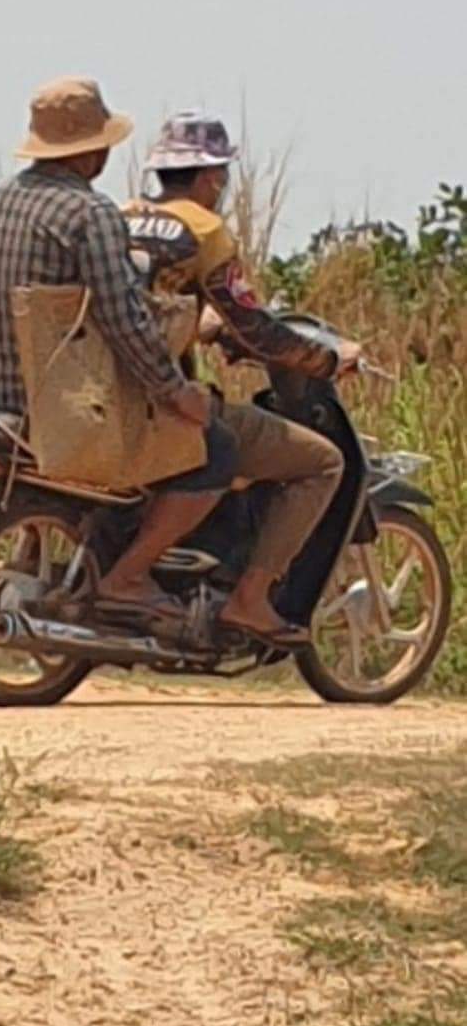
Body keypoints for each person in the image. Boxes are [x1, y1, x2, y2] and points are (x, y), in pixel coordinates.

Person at [0, 78, 238, 619]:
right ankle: (130, 578)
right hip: (63, 413)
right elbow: (124, 319)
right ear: (90, 151)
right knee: (217, 448)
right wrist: (175, 391)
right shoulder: (89, 214)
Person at [123, 111, 361, 646]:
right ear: (211, 178)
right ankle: (251, 599)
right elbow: (258, 329)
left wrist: (206, 328)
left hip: (109, 399)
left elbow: (150, 306)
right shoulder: (204, 230)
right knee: (323, 462)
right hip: (167, 407)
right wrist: (325, 360)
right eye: (222, 177)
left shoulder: (121, 216)